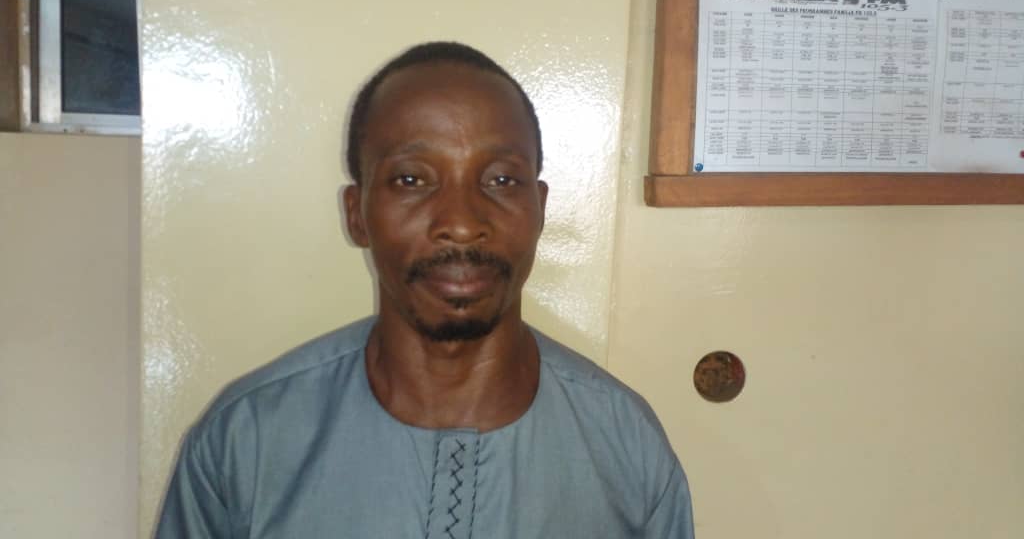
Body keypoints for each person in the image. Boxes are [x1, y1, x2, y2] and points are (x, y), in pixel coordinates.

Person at [156, 41, 694, 538]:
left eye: (501, 180)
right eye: (411, 180)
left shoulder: (626, 445)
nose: (461, 223)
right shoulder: (246, 440)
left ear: (540, 208)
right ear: (357, 214)